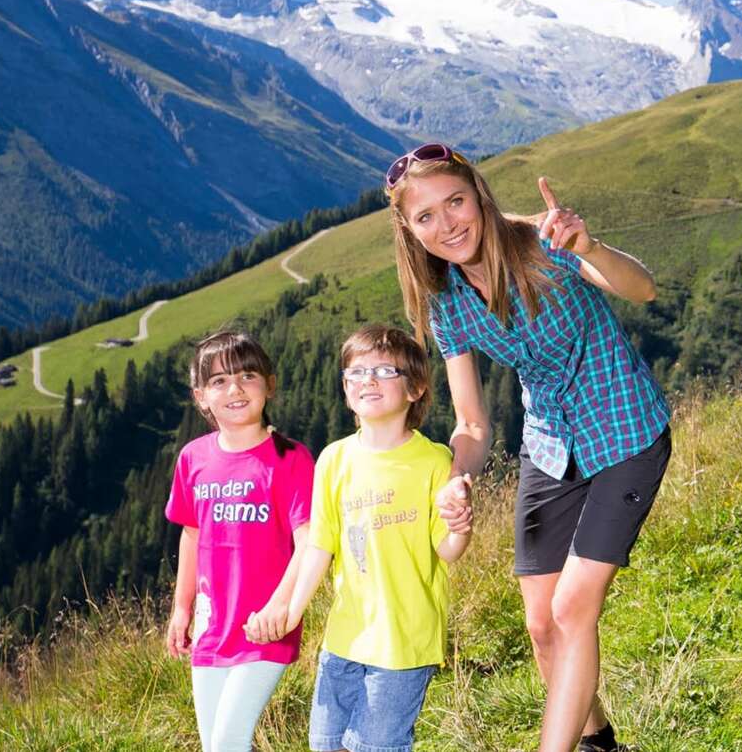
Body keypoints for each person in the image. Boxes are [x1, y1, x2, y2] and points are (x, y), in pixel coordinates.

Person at [387, 143, 669, 752]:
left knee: (572, 611)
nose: (447, 224)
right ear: (409, 230)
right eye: (426, 216)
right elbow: (472, 424)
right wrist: (458, 475)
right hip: (549, 446)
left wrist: (590, 247)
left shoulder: (544, 243)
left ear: (479, 195)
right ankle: (599, 744)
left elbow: (643, 289)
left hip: (625, 432)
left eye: (455, 202)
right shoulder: (446, 302)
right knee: (542, 626)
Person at [248, 324, 470, 752]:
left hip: (405, 643)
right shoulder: (334, 459)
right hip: (344, 639)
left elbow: (446, 549)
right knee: (326, 744)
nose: (368, 380)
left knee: (375, 746)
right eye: (356, 372)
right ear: (346, 389)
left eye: (385, 371)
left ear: (415, 389)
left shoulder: (434, 461)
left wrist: (460, 527)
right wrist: (291, 612)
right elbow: (320, 546)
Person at [163, 329, 317, 752]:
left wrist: (280, 606)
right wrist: (181, 608)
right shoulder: (193, 458)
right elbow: (191, 535)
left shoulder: (291, 459)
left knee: (229, 742)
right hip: (212, 627)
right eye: (219, 381)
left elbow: (309, 541)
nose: (235, 389)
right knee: (215, 745)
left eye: (248, 376)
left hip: (265, 626)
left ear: (269, 385)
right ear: (201, 397)